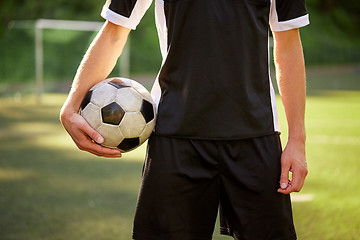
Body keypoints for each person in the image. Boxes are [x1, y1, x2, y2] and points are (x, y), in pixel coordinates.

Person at [60, 0, 309, 239]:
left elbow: (287, 45)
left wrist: (297, 140)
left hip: (256, 135)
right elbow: (115, 31)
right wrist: (72, 106)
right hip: (175, 136)